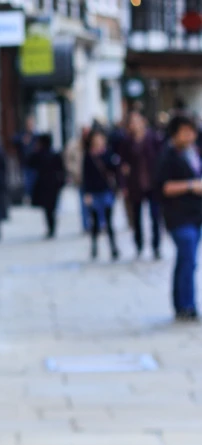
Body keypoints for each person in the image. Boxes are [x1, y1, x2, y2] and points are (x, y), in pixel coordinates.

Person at [155, 114, 202, 321]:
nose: (189, 135)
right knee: (188, 259)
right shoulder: (167, 155)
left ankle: (180, 303)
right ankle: (187, 306)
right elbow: (163, 187)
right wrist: (191, 185)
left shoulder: (194, 152)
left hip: (196, 215)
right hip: (178, 216)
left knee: (186, 260)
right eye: (185, 132)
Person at [119, 111, 162, 259]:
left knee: (155, 216)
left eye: (137, 121)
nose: (135, 124)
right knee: (136, 217)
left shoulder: (153, 138)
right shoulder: (127, 141)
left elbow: (160, 159)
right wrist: (123, 185)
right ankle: (139, 245)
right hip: (135, 184)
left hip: (152, 183)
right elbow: (123, 165)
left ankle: (156, 246)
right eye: (132, 122)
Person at [82, 130, 120, 261]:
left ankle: (113, 248)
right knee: (95, 222)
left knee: (109, 222)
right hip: (94, 192)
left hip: (106, 190)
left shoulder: (108, 153)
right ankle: (94, 246)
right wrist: (87, 193)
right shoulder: (89, 155)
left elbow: (115, 169)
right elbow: (86, 176)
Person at [28, 133, 65, 238]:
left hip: (45, 185)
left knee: (48, 209)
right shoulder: (54, 154)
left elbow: (29, 162)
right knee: (51, 208)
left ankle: (51, 228)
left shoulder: (41, 154)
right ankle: (52, 227)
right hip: (53, 185)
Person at [65, 125, 91, 233]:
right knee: (83, 201)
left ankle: (98, 223)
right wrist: (74, 171)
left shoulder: (94, 144)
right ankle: (86, 225)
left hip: (93, 177)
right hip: (81, 177)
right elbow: (68, 160)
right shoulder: (73, 145)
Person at [14, 114, 38, 201]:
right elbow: (14, 139)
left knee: (33, 180)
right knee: (26, 181)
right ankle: (28, 196)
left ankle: (33, 196)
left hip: (34, 163)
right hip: (25, 162)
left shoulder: (36, 135)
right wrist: (22, 140)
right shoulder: (23, 134)